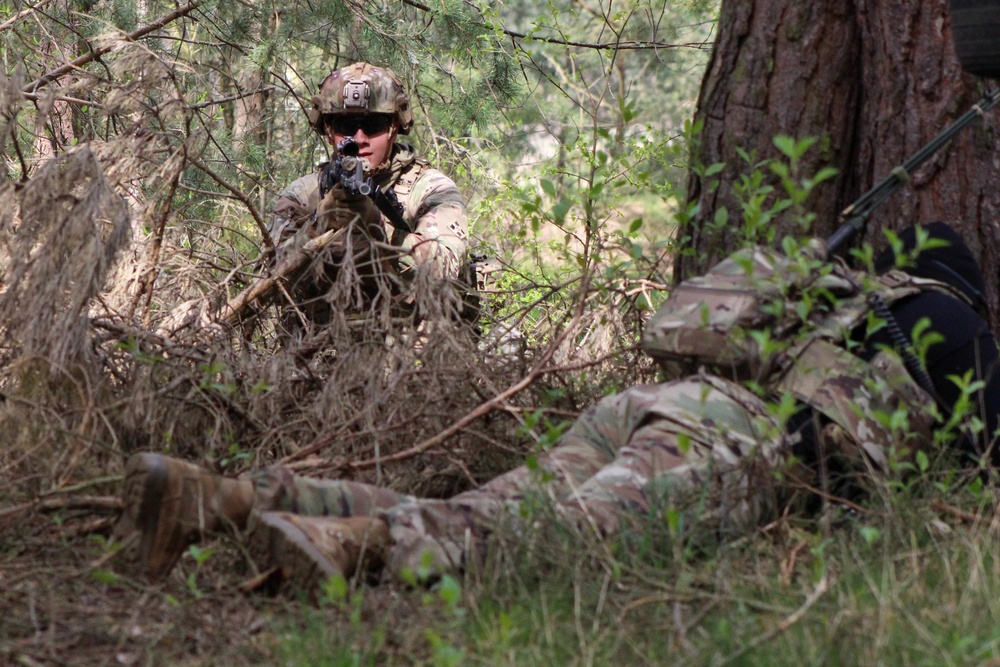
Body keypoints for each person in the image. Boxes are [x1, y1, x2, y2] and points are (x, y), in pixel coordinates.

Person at [113, 223, 1000, 591]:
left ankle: (228, 496)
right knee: (558, 535)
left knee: (505, 504)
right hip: (736, 439)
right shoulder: (958, 326)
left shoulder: (839, 285)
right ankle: (362, 551)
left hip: (655, 403)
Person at [268, 62, 469, 327]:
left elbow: (445, 269)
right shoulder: (304, 196)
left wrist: (379, 229)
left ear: (394, 128)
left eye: (373, 124)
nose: (359, 139)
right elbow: (269, 283)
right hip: (319, 354)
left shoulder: (430, 189)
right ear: (328, 130)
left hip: (409, 357)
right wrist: (318, 225)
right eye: (345, 124)